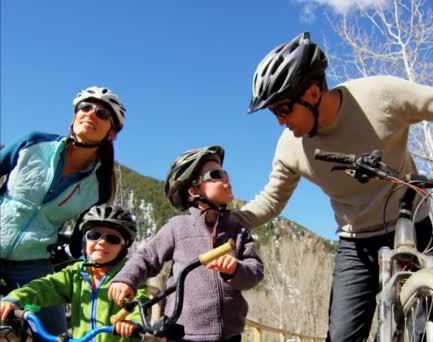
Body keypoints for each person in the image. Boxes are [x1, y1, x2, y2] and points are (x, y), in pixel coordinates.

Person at [234, 32, 433, 341]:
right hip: (356, 244)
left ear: (314, 93)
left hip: (412, 224)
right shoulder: (289, 148)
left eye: (283, 109)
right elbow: (271, 200)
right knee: (342, 336)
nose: (279, 121)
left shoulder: (379, 95)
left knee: (431, 327)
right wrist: (231, 220)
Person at [0, 86, 127, 335]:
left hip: (32, 261)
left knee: (55, 331)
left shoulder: (98, 186)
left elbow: (82, 241)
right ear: (74, 116)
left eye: (102, 113)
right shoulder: (33, 142)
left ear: (111, 133)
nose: (90, 114)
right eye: (85, 107)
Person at [108, 145, 264, 342]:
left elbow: (255, 271)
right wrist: (126, 279)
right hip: (183, 334)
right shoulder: (177, 227)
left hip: (230, 335)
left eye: (225, 173)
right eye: (216, 174)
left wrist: (236, 270)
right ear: (193, 189)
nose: (226, 178)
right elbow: (147, 257)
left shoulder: (238, 230)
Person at [0, 204, 148, 342]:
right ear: (85, 240)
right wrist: (15, 299)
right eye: (94, 235)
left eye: (113, 239)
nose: (102, 242)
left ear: (123, 247)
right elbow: (46, 286)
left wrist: (133, 322)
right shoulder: (76, 273)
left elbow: (139, 303)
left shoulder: (129, 275)